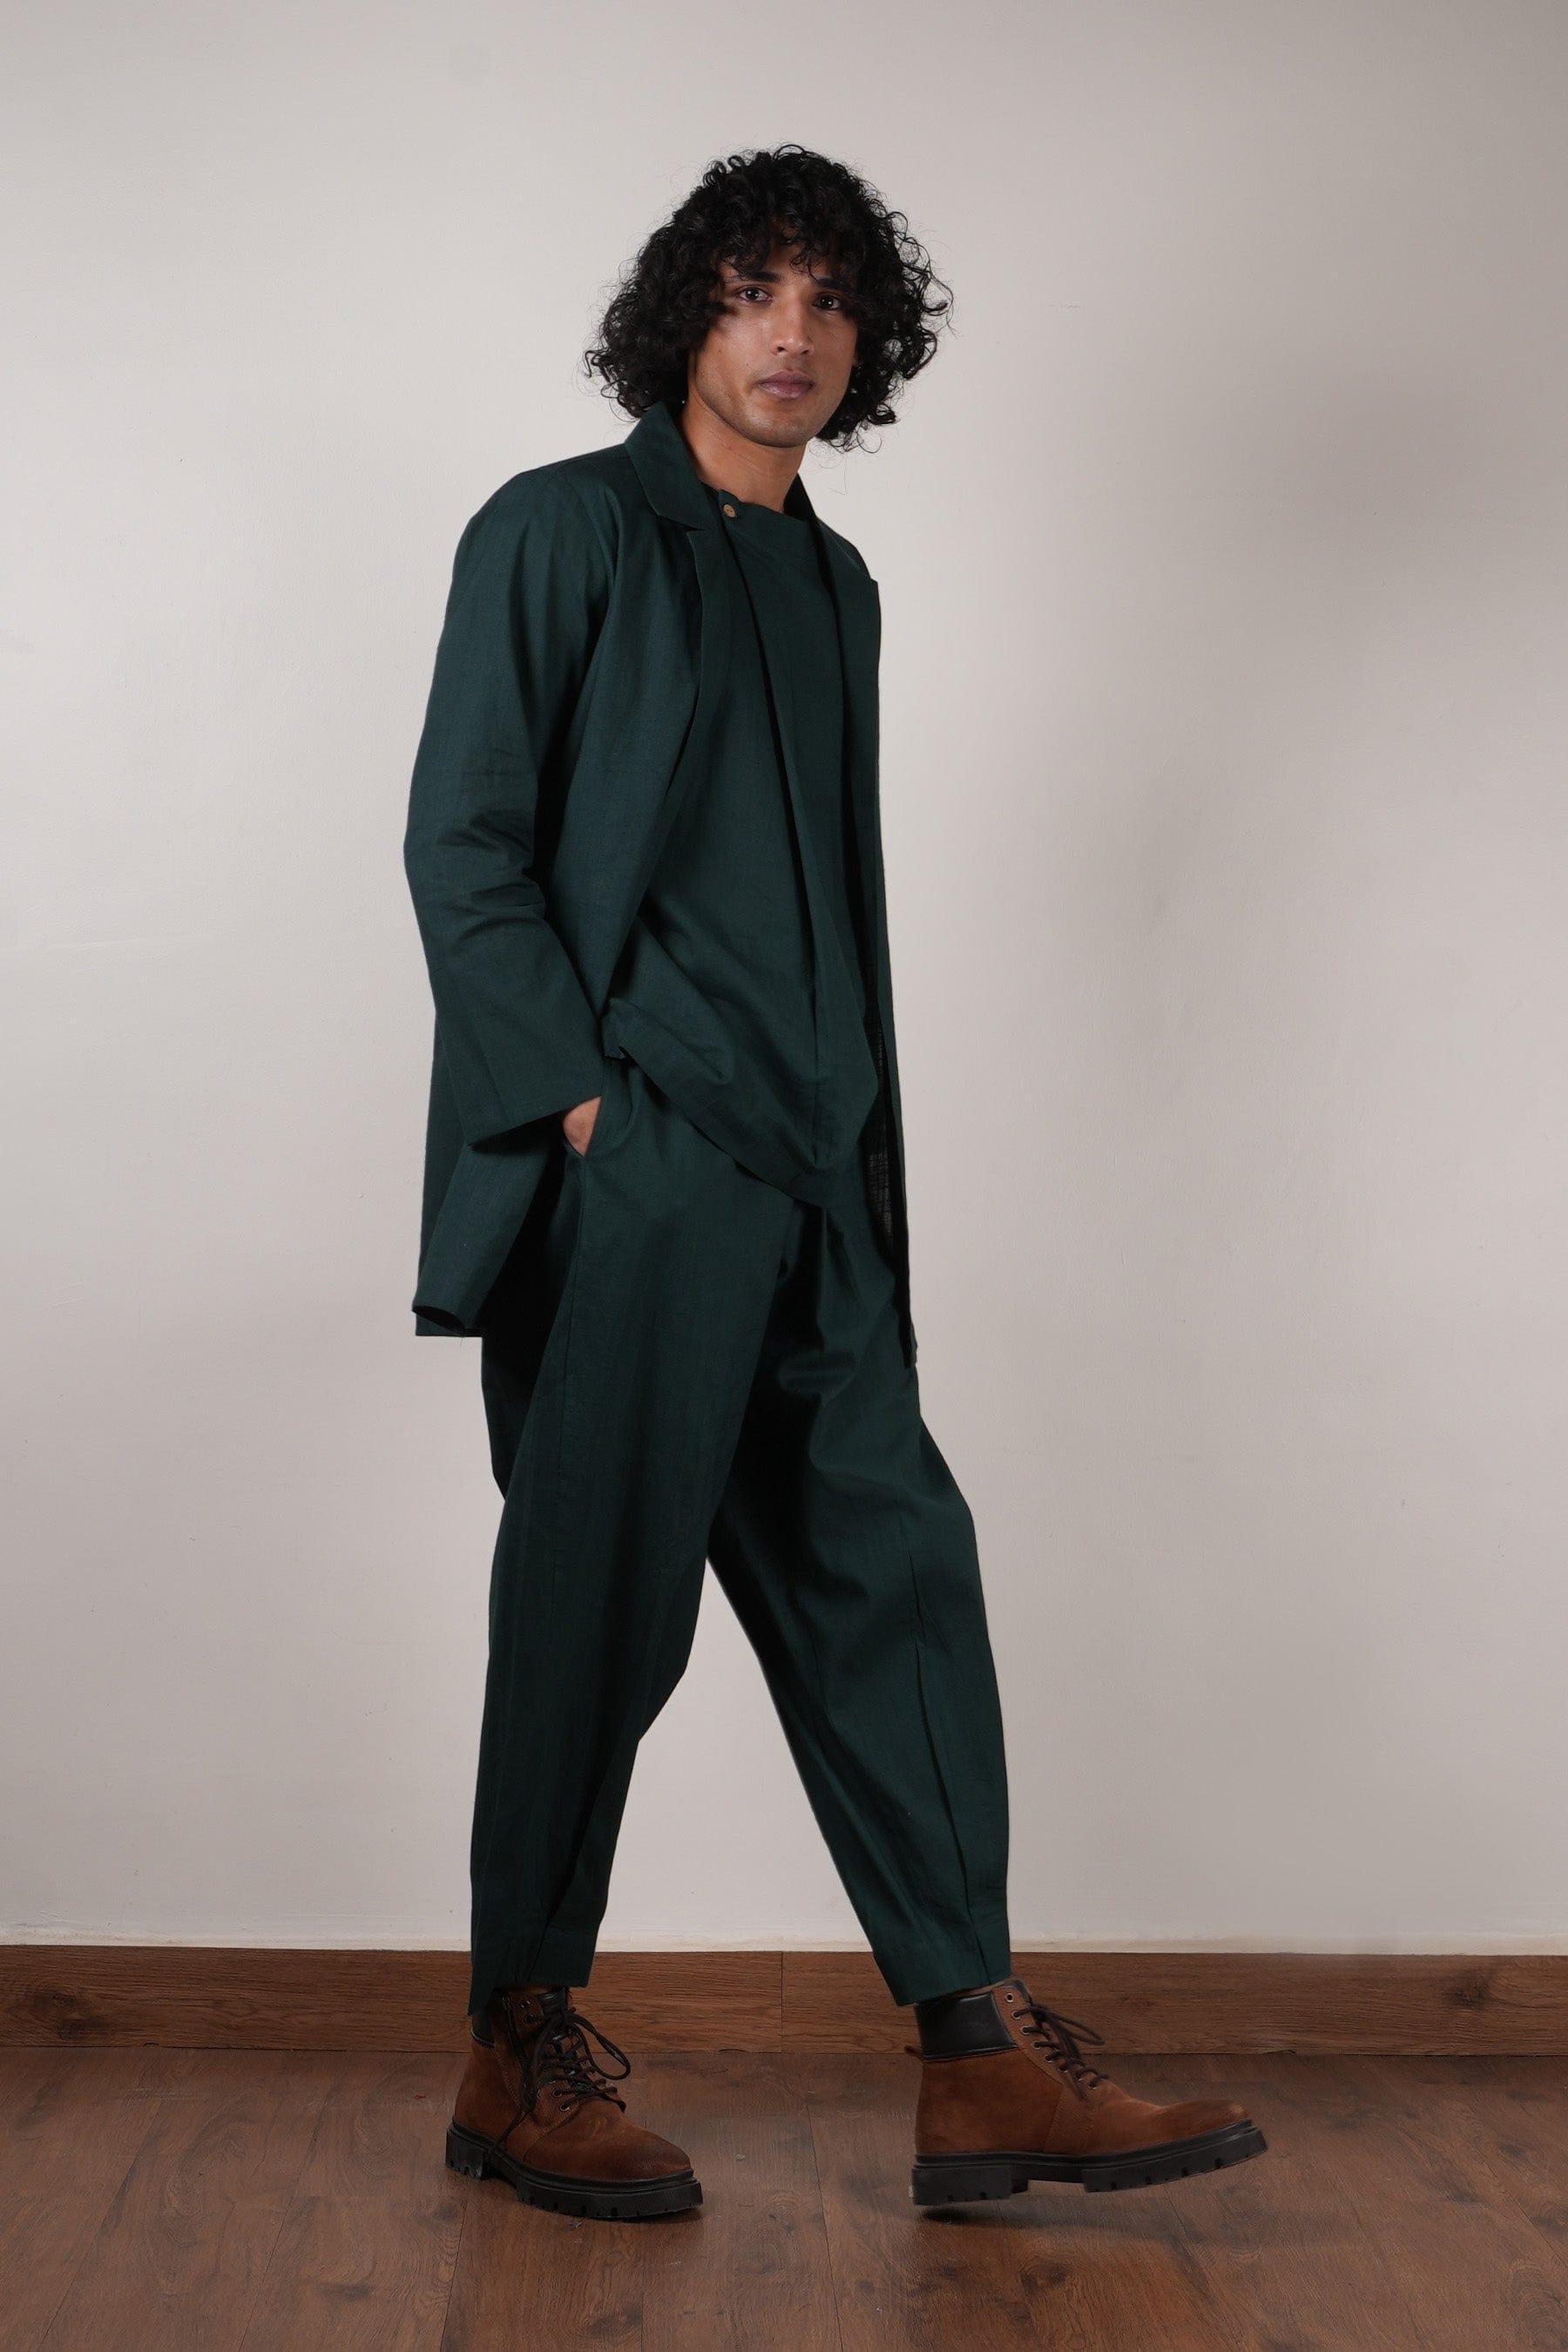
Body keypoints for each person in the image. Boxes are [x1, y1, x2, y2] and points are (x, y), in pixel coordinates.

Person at [403, 143, 1267, 2222]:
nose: (790, 333)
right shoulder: (558, 531)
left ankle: (980, 2058)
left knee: (898, 1578)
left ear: (867, 341)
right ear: (682, 315)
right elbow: (468, 844)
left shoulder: (835, 583)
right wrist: (592, 1120)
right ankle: (518, 2046)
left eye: (826, 298)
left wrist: (861, 1167)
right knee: (597, 1614)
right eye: (749, 290)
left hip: (823, 1187)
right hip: (644, 1177)